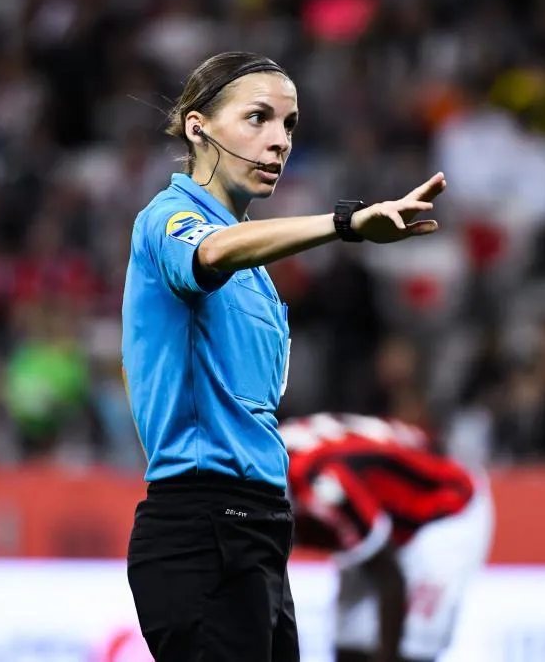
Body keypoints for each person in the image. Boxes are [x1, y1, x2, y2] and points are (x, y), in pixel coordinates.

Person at [121, 51, 448, 662]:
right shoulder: (168, 220)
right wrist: (345, 224)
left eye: (290, 125)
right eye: (257, 118)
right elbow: (213, 253)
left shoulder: (262, 275)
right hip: (200, 526)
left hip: (258, 529)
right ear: (199, 128)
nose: (278, 142)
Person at [279, 413, 494, 662]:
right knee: (351, 642)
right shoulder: (273, 448)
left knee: (409, 648)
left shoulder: (322, 485)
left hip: (445, 507)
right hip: (380, 503)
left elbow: (390, 577)